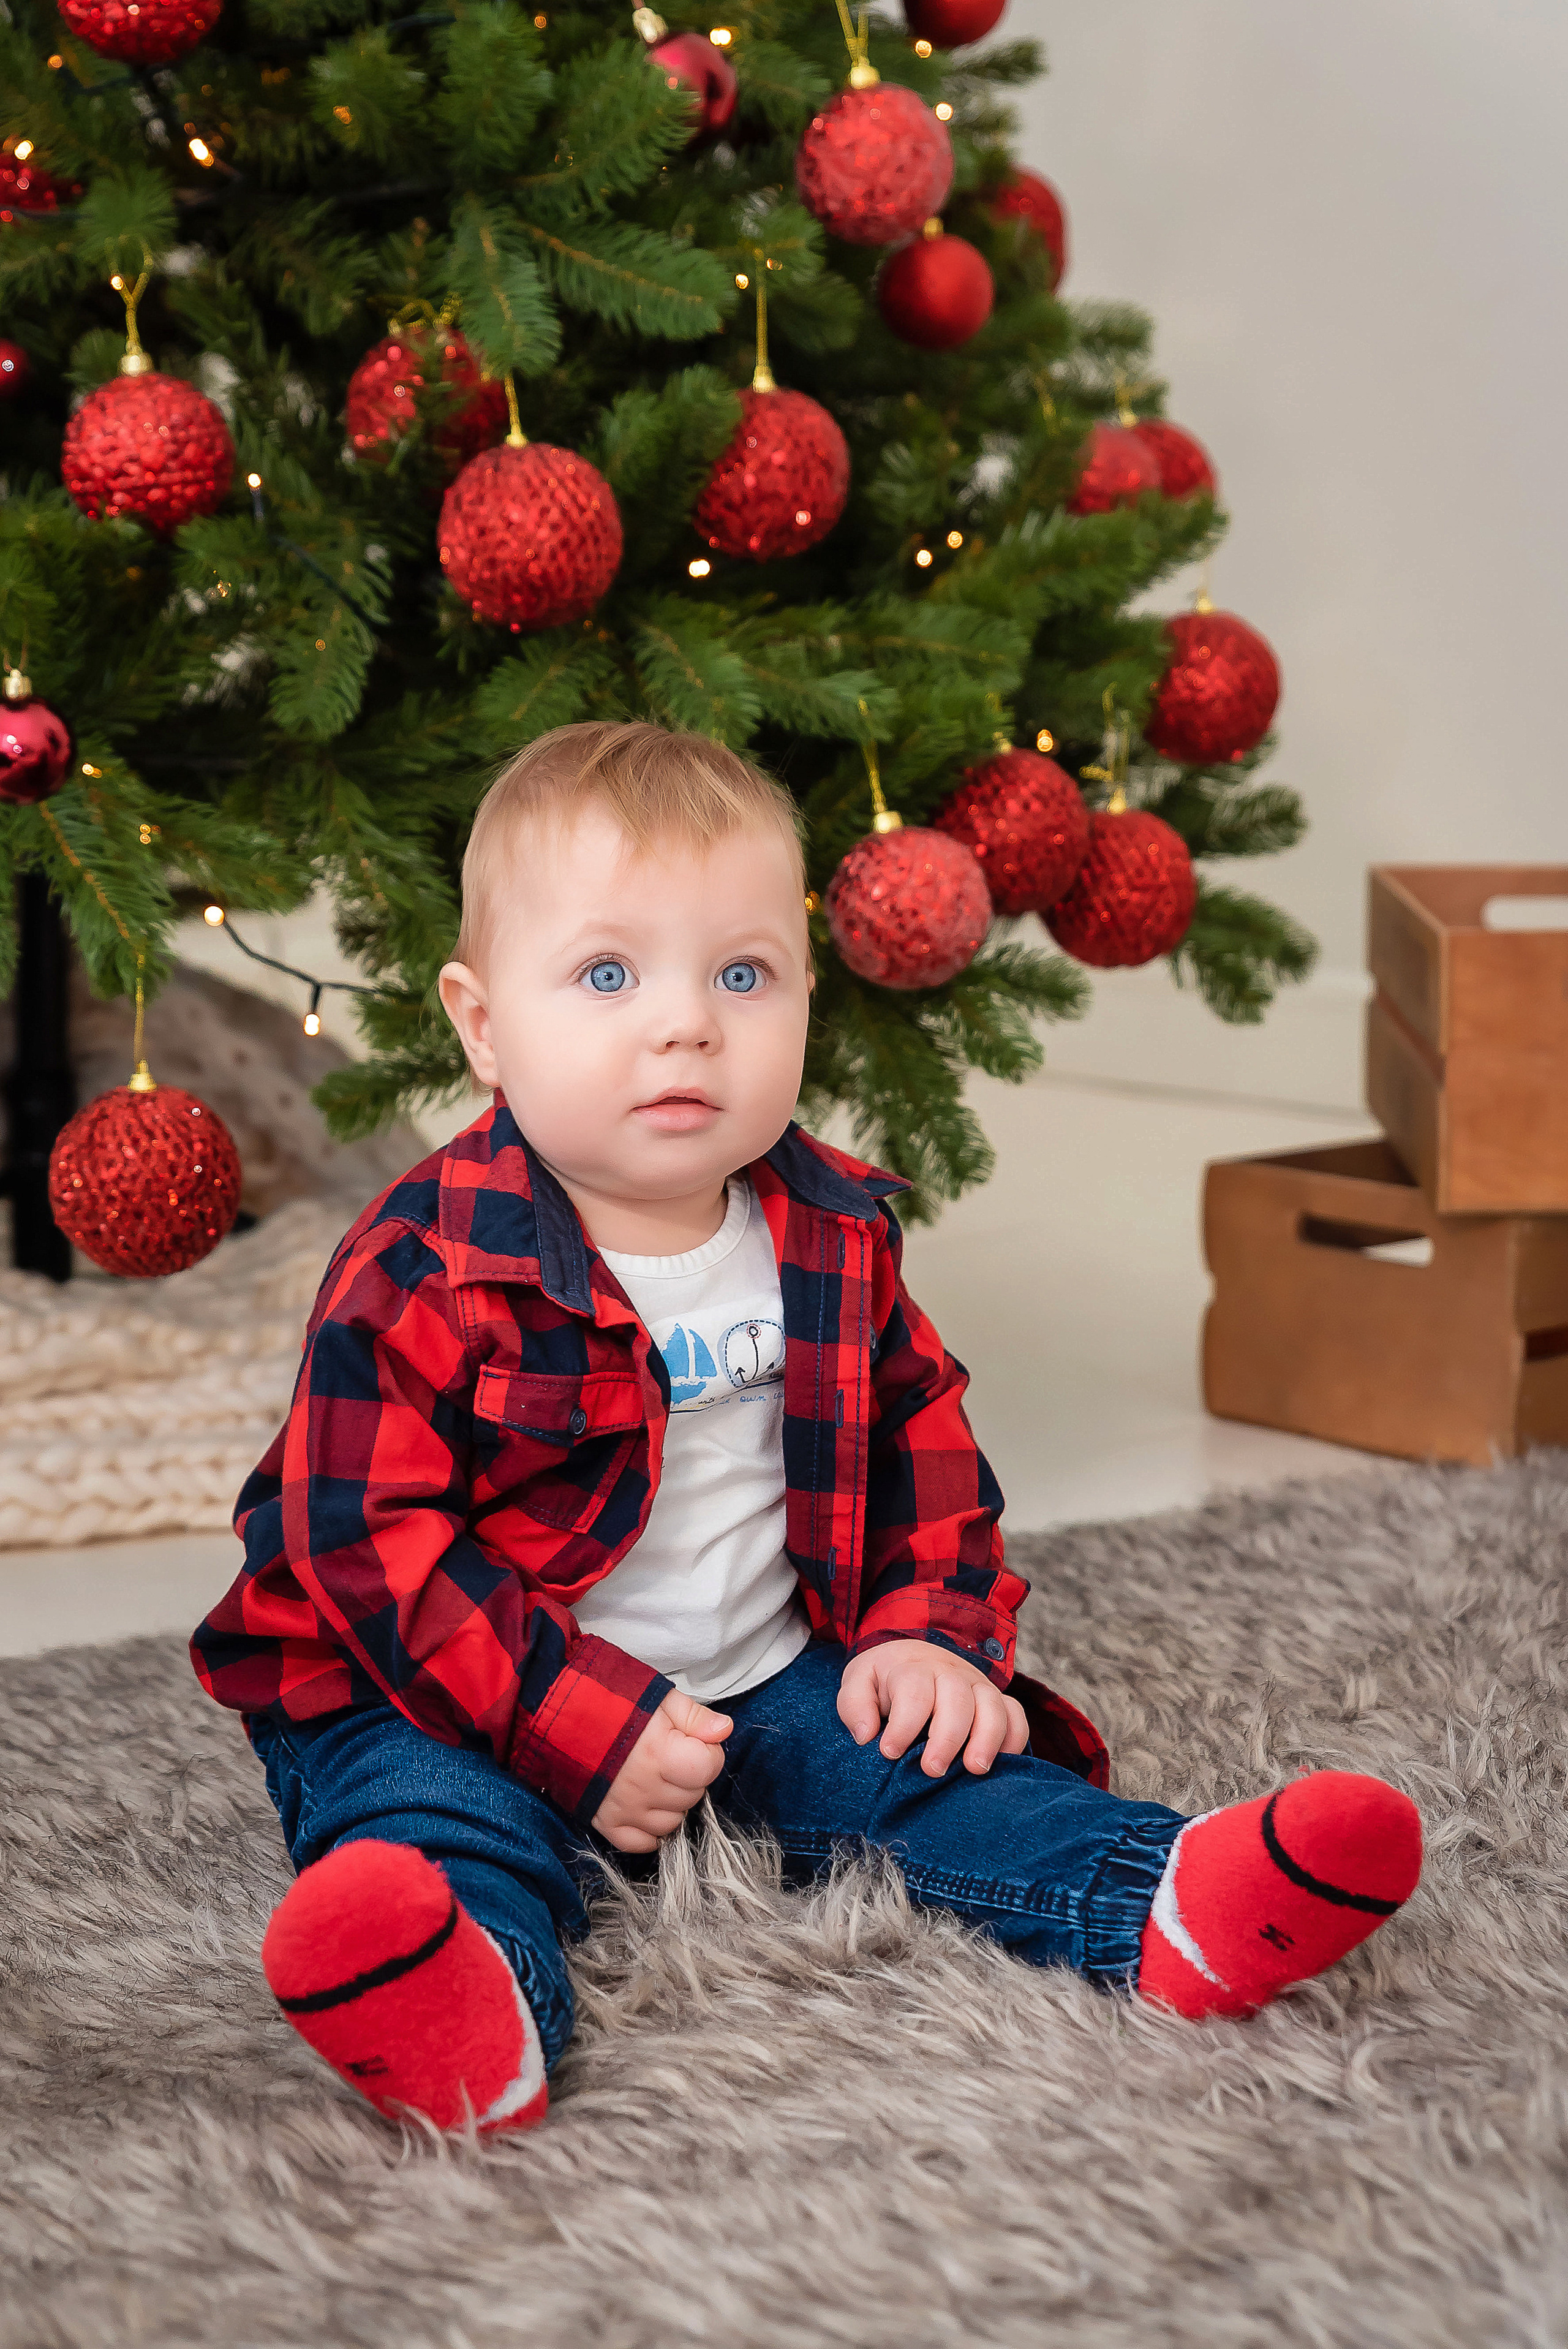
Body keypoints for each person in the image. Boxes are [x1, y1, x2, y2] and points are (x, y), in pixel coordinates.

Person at [191, 721, 1422, 2136]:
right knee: (440, 1825)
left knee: (921, 1777)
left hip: (750, 1674)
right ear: (480, 1022)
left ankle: (1162, 1900)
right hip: (447, 1690)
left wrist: (929, 1632)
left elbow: (920, 1446)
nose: (685, 1024)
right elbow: (357, 1541)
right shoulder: (424, 1264)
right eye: (605, 973)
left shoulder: (823, 1228)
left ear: (803, 998)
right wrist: (569, 1715)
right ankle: (465, 2005)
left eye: (741, 973)